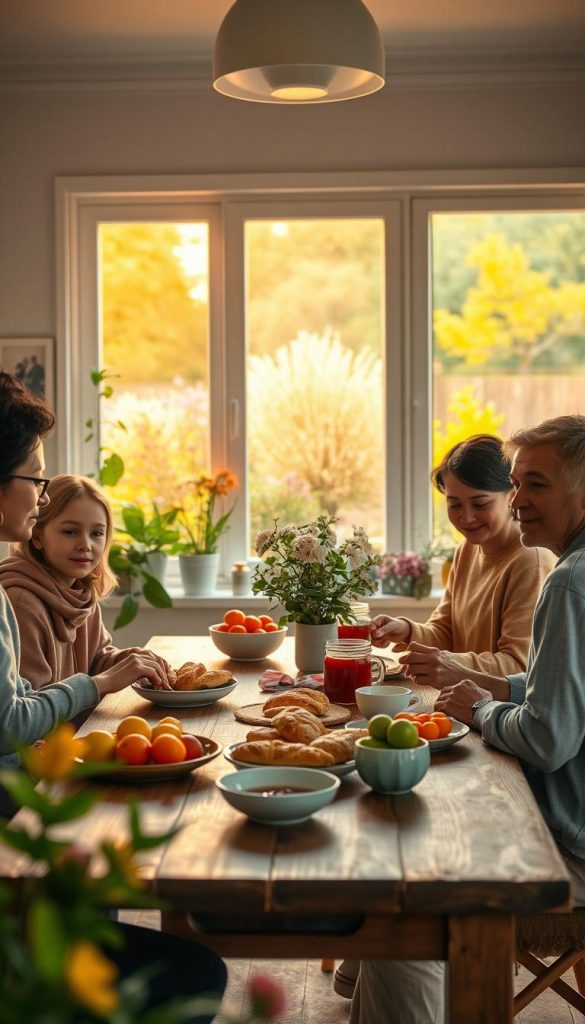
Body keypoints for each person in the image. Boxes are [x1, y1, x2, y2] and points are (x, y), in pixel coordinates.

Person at [0, 372, 227, 1020]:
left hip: (38, 776)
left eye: (96, 534)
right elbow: (18, 716)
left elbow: (84, 666)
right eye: (35, 482)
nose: (40, 496)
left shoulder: (78, 596)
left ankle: (85, 940)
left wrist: (120, 665)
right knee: (129, 836)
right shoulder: (14, 592)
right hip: (25, 790)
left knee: (110, 852)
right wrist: (101, 683)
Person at [350, 414, 585, 1024]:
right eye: (517, 482)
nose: (519, 499)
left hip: (569, 842)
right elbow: (549, 690)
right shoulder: (554, 570)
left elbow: (548, 736)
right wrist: (484, 687)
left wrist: (480, 706)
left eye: (534, 484)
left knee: (403, 888)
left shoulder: (562, 580)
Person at [371, 434, 556, 691]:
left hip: (499, 712)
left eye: (480, 504)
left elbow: (519, 667)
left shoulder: (530, 561)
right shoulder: (467, 549)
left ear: (512, 495)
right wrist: (406, 630)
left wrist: (447, 663)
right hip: (467, 702)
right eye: (454, 504)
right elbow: (446, 631)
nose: (466, 517)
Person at [0, 473, 168, 691]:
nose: (85, 545)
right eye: (70, 532)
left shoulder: (82, 593)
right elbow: (32, 705)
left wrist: (129, 659)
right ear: (38, 536)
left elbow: (97, 661)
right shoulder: (21, 602)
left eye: (97, 533)